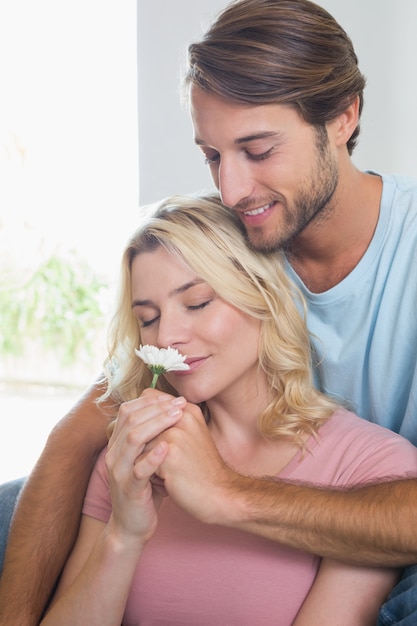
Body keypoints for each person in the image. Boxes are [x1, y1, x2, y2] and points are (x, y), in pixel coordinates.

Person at [1, 0, 417, 624]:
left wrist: (225, 496)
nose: (232, 190)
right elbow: (75, 438)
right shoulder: (228, 243)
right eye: (213, 156)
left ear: (342, 117)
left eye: (258, 149)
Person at [40, 193, 417, 625]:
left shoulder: (370, 469)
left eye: (197, 303)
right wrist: (123, 534)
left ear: (263, 296)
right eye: (147, 317)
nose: (167, 335)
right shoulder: (130, 458)